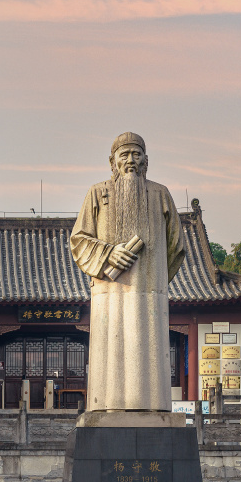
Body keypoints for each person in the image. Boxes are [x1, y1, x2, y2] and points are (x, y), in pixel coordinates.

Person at [70, 132, 184, 412]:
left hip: (150, 296)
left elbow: (176, 246)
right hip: (109, 293)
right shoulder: (97, 193)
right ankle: (104, 408)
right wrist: (109, 253)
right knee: (110, 355)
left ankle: (154, 408)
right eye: (125, 155)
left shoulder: (161, 195)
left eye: (136, 154)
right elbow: (79, 240)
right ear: (113, 162)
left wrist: (155, 279)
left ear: (146, 160)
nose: (131, 160)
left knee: (150, 355)